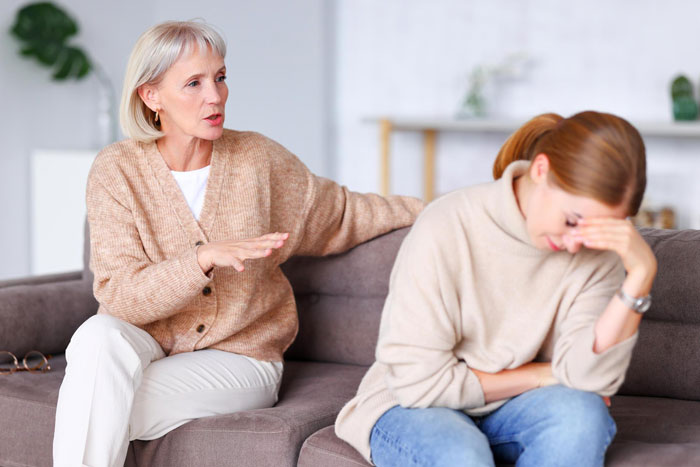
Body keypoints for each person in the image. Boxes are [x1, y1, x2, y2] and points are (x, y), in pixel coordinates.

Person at [52, 20, 423, 467]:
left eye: (221, 77)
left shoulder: (258, 160)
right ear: (151, 96)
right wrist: (201, 259)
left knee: (95, 406)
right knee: (97, 336)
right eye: (194, 83)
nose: (216, 96)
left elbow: (344, 213)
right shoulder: (116, 170)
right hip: (143, 342)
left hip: (240, 358)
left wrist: (441, 209)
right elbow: (120, 296)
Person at [335, 111, 657, 467]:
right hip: (411, 405)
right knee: (460, 454)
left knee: (583, 418)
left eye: (596, 229)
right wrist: (543, 374)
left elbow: (587, 380)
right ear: (540, 170)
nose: (574, 244)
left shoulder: (597, 255)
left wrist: (640, 275)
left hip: (514, 408)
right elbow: (417, 383)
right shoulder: (448, 223)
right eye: (571, 221)